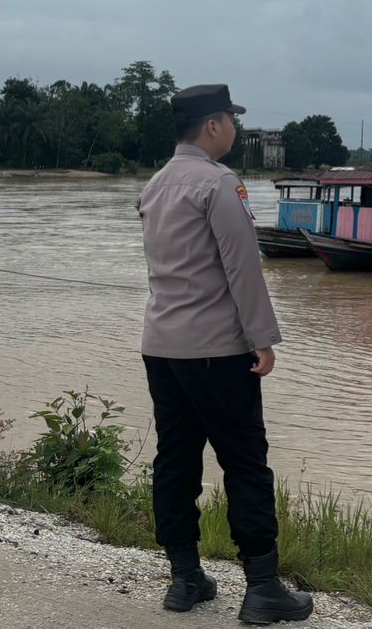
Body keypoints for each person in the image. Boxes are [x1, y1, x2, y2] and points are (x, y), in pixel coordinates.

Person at [137, 83, 313, 624]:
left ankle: (185, 577)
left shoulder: (155, 185)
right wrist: (263, 338)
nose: (235, 128)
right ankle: (263, 587)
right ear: (213, 125)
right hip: (215, 349)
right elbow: (243, 267)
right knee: (244, 463)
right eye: (231, 119)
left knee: (175, 459)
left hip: (161, 346)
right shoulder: (218, 183)